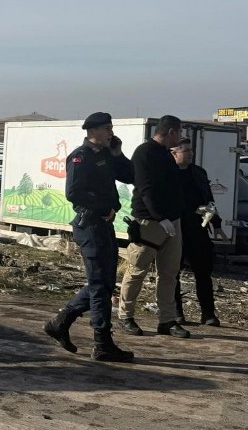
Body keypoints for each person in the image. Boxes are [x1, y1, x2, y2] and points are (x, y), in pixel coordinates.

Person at [44, 112, 135, 362]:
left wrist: (118, 154)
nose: (111, 132)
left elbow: (131, 177)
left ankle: (60, 323)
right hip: (90, 225)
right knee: (99, 285)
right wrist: (103, 208)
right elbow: (73, 193)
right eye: (107, 128)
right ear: (92, 131)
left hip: (104, 226)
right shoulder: (80, 157)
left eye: (111, 128)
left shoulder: (106, 155)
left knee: (104, 283)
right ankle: (102, 343)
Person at [119, 115, 189, 339]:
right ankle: (125, 316)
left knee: (169, 274)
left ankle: (167, 320)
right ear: (171, 132)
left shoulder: (166, 154)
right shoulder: (145, 152)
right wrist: (159, 218)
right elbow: (145, 188)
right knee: (137, 270)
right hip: (149, 221)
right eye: (179, 132)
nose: (180, 137)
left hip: (172, 222)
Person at [171, 138, 224, 327]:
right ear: (174, 154)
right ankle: (176, 313)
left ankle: (208, 314)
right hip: (175, 228)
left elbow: (209, 199)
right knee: (173, 272)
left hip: (198, 229)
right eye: (186, 151)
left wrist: (216, 223)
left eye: (191, 150)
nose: (190, 154)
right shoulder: (168, 173)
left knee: (203, 272)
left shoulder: (198, 173)